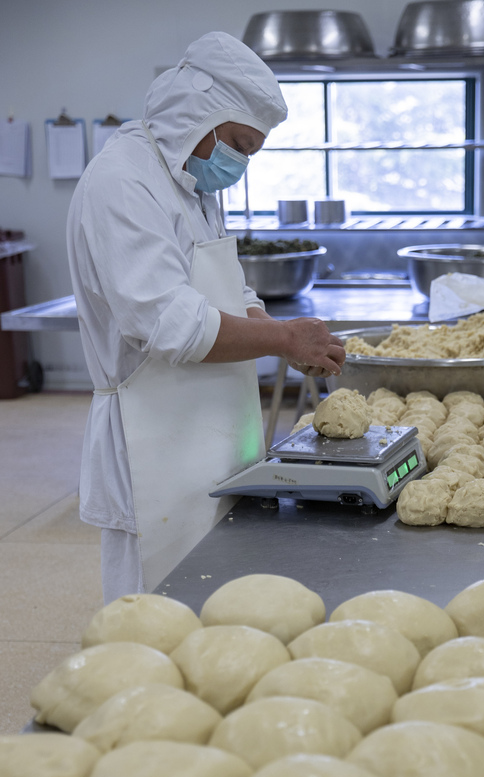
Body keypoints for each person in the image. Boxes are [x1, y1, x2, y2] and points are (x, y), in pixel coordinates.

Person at [67, 31, 345, 603]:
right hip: (152, 438)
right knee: (153, 610)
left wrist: (278, 333)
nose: (239, 162)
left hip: (210, 428)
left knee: (214, 599)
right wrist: (283, 335)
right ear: (198, 115)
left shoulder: (191, 184)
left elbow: (227, 286)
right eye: (239, 143)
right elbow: (168, 323)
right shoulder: (123, 182)